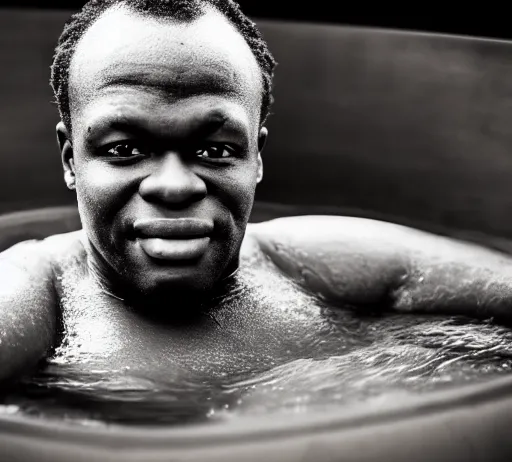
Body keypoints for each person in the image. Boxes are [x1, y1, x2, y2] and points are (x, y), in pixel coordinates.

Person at [1, 0, 512, 409]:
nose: (174, 186)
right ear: (72, 160)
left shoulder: (313, 262)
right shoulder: (39, 293)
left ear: (256, 158)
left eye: (215, 150)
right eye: (124, 150)